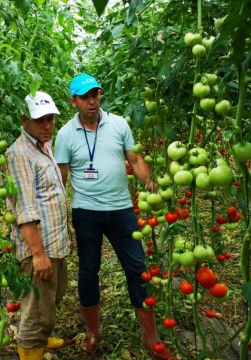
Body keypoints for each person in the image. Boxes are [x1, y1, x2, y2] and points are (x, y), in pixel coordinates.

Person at [53, 74, 172, 359]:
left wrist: (151, 185)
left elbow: (135, 159)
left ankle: (150, 335)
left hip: (121, 209)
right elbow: (61, 178)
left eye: (95, 94)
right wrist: (55, 217)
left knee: (137, 268)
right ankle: (93, 332)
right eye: (85, 97)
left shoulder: (118, 123)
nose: (92, 101)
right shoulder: (65, 134)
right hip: (86, 212)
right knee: (88, 271)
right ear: (73, 102)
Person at [5, 91, 70, 360]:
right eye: (40, 120)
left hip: (54, 242)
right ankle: (31, 346)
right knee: (36, 311)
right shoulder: (20, 155)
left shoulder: (43, 145)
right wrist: (38, 255)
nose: (47, 126)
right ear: (24, 120)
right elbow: (25, 210)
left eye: (51, 119)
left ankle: (40, 340)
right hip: (39, 248)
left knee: (50, 299)